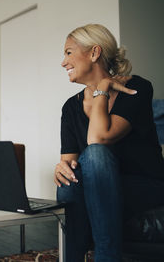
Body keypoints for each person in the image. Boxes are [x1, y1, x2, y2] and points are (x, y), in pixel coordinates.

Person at [54, 24, 164, 261]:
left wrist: (102, 88)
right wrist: (61, 168)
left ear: (94, 53)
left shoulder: (136, 88)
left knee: (96, 154)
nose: (63, 62)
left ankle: (106, 256)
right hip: (97, 187)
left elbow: (99, 138)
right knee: (70, 183)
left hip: (144, 186)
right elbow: (70, 162)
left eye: (69, 52)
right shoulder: (70, 107)